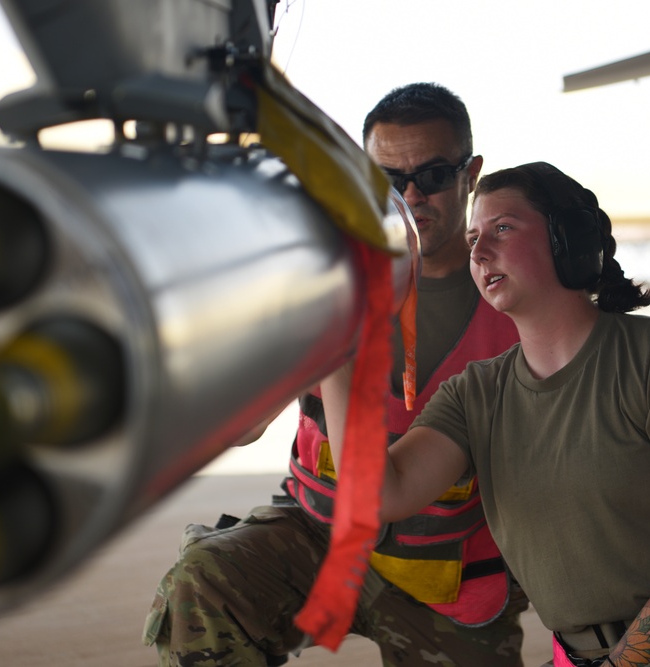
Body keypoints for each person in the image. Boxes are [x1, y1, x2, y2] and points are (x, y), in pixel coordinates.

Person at [321, 161, 650, 667]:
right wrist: (334, 345)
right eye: (474, 237)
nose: (478, 250)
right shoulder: (476, 394)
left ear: (567, 238)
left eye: (502, 228)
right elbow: (377, 494)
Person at [142, 83, 528, 666]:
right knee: (204, 583)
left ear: (470, 174)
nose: (412, 194)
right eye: (389, 180)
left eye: (434, 174)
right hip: (316, 535)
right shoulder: (322, 282)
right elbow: (243, 430)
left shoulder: (516, 304)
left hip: (446, 579)